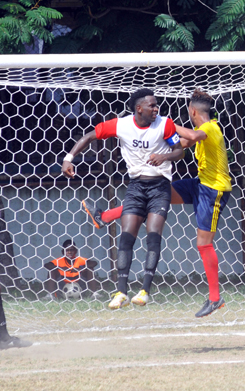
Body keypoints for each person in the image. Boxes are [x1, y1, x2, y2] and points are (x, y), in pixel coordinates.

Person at [82, 89, 231, 318]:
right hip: (200, 183)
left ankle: (214, 298)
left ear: (192, 111)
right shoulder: (203, 130)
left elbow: (192, 137)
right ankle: (105, 217)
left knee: (204, 244)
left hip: (214, 191)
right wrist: (160, 143)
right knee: (159, 195)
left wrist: (166, 124)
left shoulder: (209, 128)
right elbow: (181, 144)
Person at [61, 88, 184, 310]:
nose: (156, 109)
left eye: (157, 105)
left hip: (160, 186)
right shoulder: (122, 125)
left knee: (153, 236)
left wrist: (164, 156)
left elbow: (179, 151)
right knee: (126, 238)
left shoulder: (165, 124)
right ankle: (121, 292)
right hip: (136, 186)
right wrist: (68, 158)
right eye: (152, 105)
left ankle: (145, 291)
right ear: (139, 108)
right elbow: (90, 136)